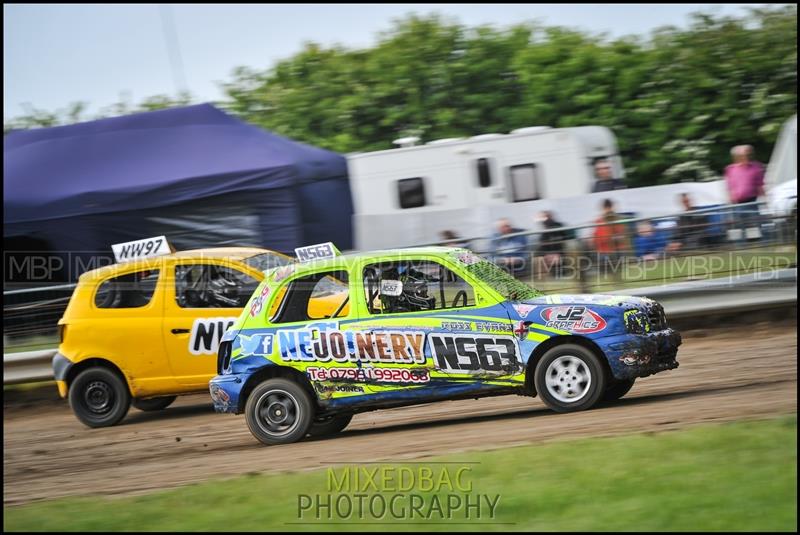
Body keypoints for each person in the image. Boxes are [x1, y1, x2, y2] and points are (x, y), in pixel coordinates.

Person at [724, 145, 765, 242]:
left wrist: (765, 200)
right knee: (738, 229)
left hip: (751, 203)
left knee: (753, 228)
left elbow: (760, 185)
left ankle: (755, 247)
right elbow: (729, 187)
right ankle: (740, 248)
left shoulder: (755, 167)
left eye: (747, 154)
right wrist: (730, 201)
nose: (746, 157)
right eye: (742, 155)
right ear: (736, 157)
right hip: (736, 204)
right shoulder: (730, 169)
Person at [592, 199, 627, 276]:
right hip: (604, 252)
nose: (608, 209)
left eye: (609, 207)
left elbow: (622, 238)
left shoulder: (617, 220)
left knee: (617, 255)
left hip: (616, 251)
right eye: (606, 207)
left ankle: (613, 270)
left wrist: (615, 238)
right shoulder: (598, 221)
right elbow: (596, 240)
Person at [534, 211, 568, 277]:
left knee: (555, 258)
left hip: (559, 250)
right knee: (539, 256)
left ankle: (560, 273)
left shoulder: (558, 226)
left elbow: (563, 240)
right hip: (548, 252)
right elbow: (542, 243)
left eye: (544, 217)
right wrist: (546, 254)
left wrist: (555, 253)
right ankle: (545, 275)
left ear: (550, 217)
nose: (543, 220)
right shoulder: (544, 229)